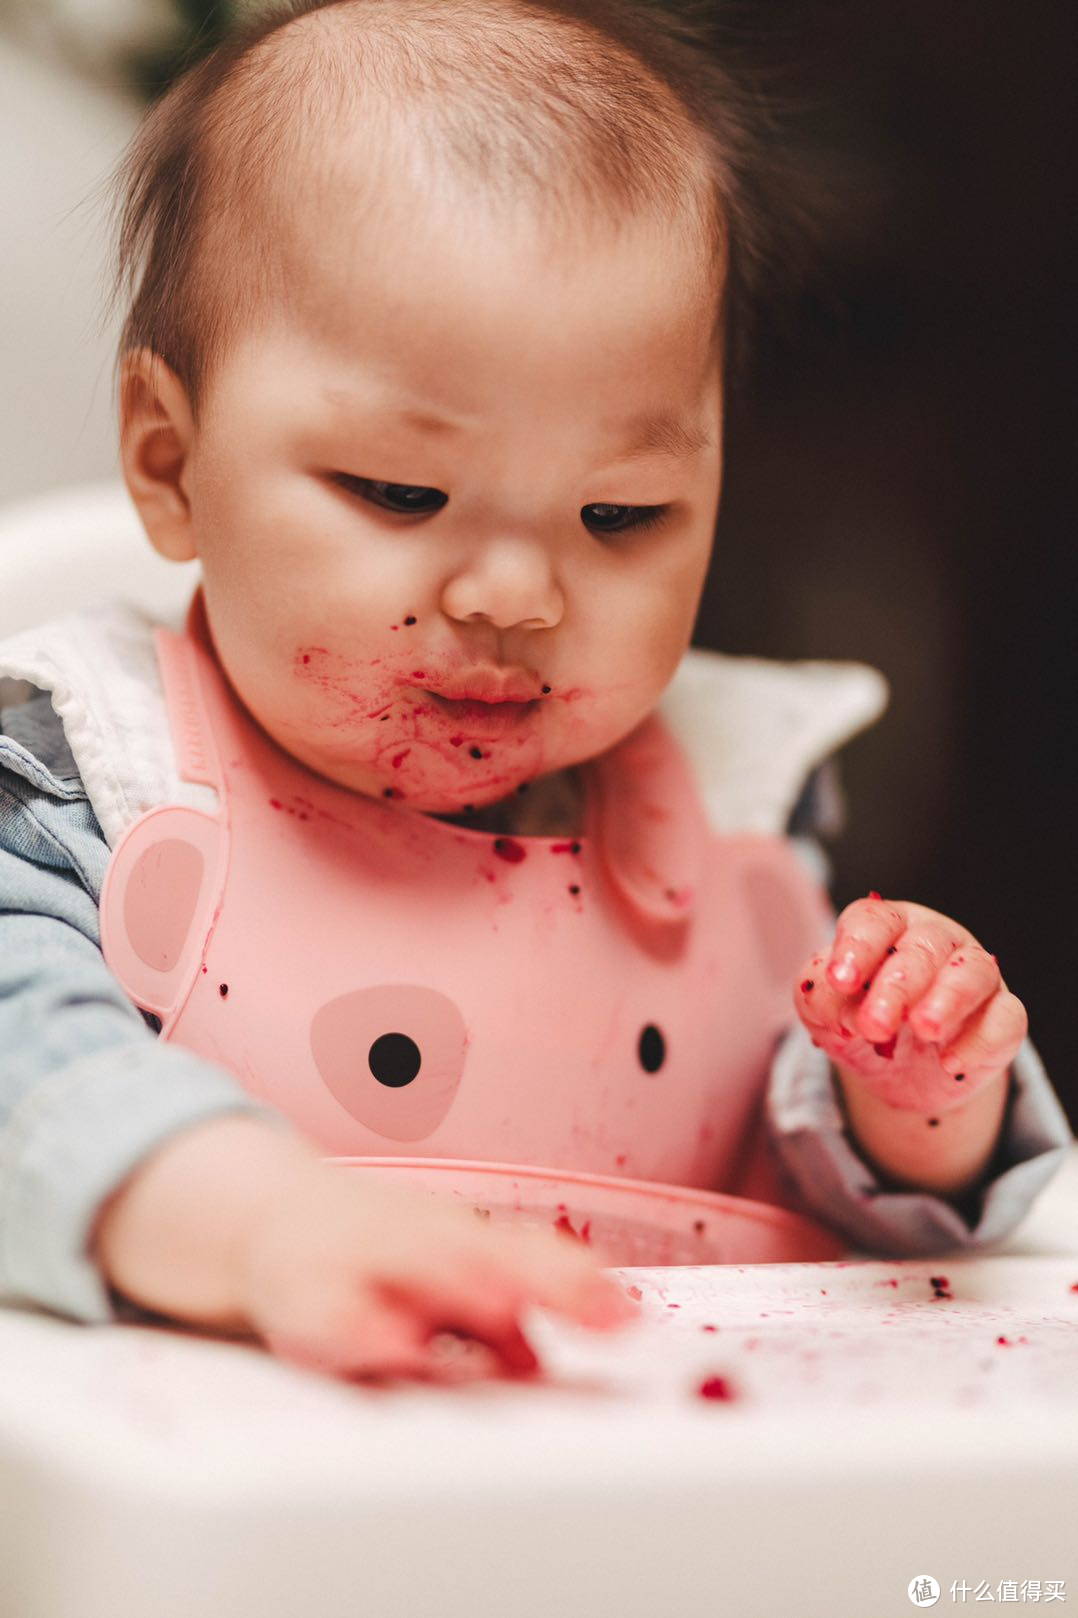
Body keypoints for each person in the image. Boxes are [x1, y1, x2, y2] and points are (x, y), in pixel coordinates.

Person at [0, 0, 1070, 1384]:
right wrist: (257, 1222)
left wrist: (911, 1093)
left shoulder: (731, 801)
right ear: (167, 459)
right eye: (401, 491)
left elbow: (832, 1204)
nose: (517, 596)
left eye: (621, 513)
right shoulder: (90, 780)